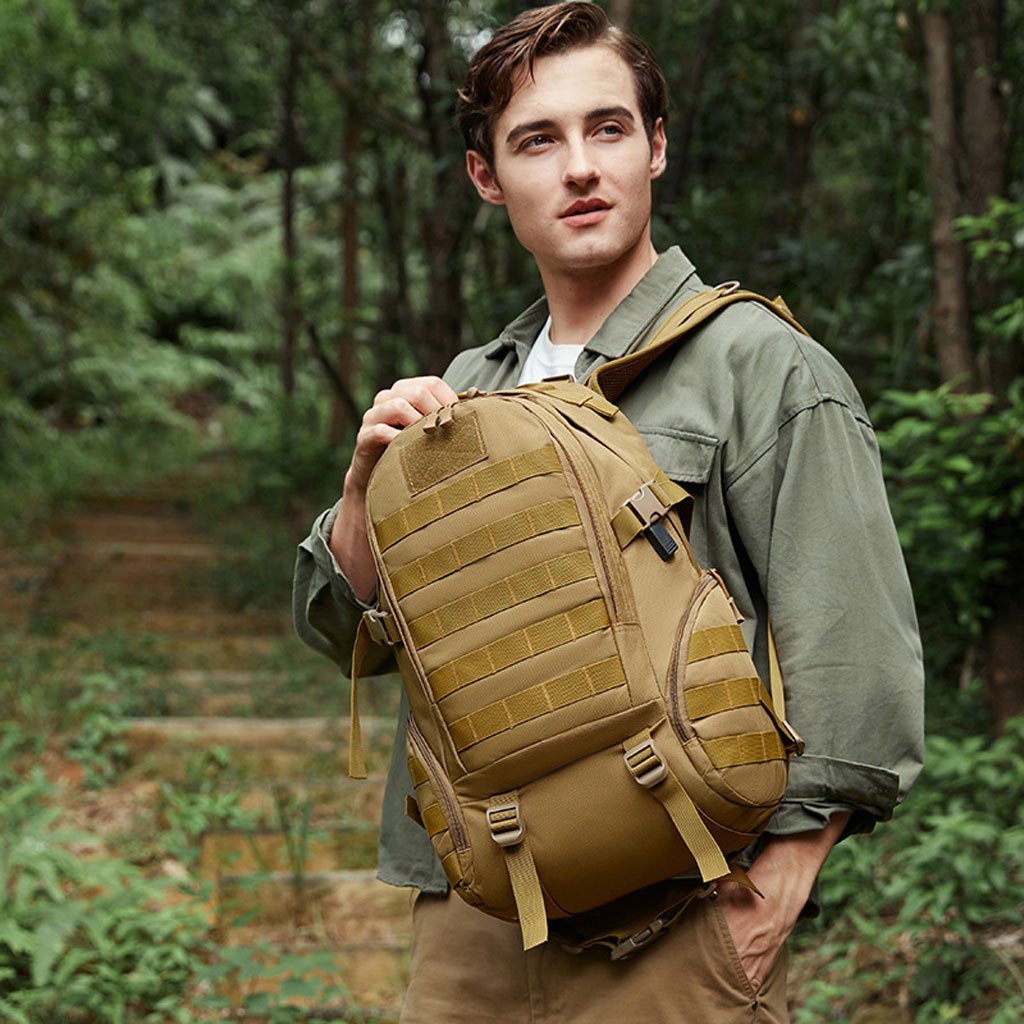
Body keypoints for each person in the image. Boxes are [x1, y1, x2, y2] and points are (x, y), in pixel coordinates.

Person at [293, 4, 924, 1021]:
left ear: (655, 148)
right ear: (487, 177)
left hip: (683, 910)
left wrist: (778, 889)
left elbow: (854, 643)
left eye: (609, 128)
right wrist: (367, 489)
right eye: (538, 141)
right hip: (477, 917)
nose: (581, 167)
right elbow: (348, 638)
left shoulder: (757, 364)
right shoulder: (464, 391)